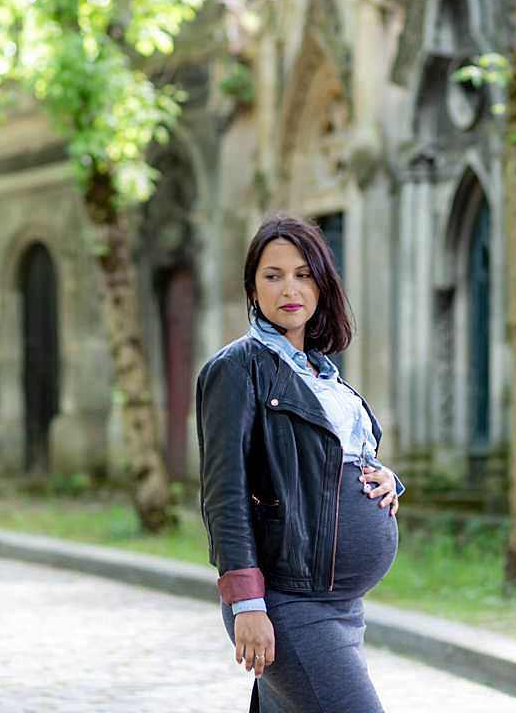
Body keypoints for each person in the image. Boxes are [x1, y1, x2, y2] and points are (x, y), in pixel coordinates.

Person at [196, 212, 406, 712]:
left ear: (321, 283)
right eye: (273, 275)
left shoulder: (322, 373)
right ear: (253, 286)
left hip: (340, 605)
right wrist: (247, 602)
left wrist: (387, 481)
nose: (289, 288)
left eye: (302, 273)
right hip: (289, 604)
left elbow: (339, 460)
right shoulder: (236, 369)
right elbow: (223, 493)